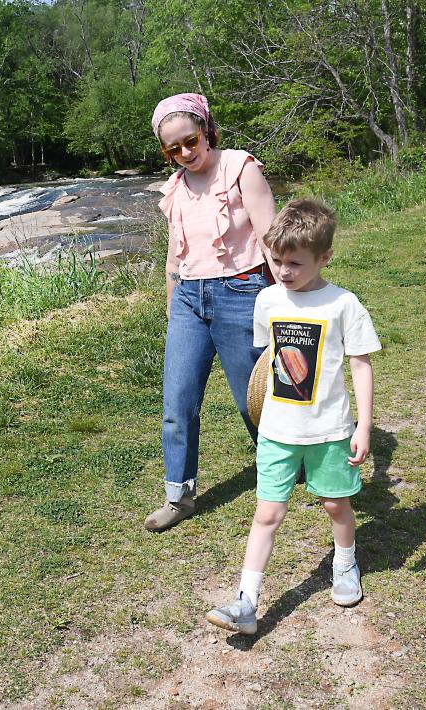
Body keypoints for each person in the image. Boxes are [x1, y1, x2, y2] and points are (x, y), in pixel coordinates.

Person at [205, 198, 381, 635]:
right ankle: (246, 602)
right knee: (267, 514)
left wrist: (363, 424)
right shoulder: (267, 300)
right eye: (277, 261)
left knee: (335, 504)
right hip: (278, 431)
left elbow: (361, 365)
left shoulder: (343, 304)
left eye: (295, 263)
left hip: (329, 431)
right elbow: (270, 358)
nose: (283, 271)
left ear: (325, 258)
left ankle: (344, 564)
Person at [144, 93, 277, 532]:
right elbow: (173, 255)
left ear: (207, 130)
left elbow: (271, 240)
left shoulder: (241, 168)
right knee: (177, 402)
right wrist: (171, 304)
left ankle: (281, 465)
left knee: (252, 398)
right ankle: (179, 497)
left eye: (191, 140)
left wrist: (289, 301)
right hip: (188, 299)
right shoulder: (176, 188)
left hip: (242, 291)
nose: (186, 153)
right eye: (173, 149)